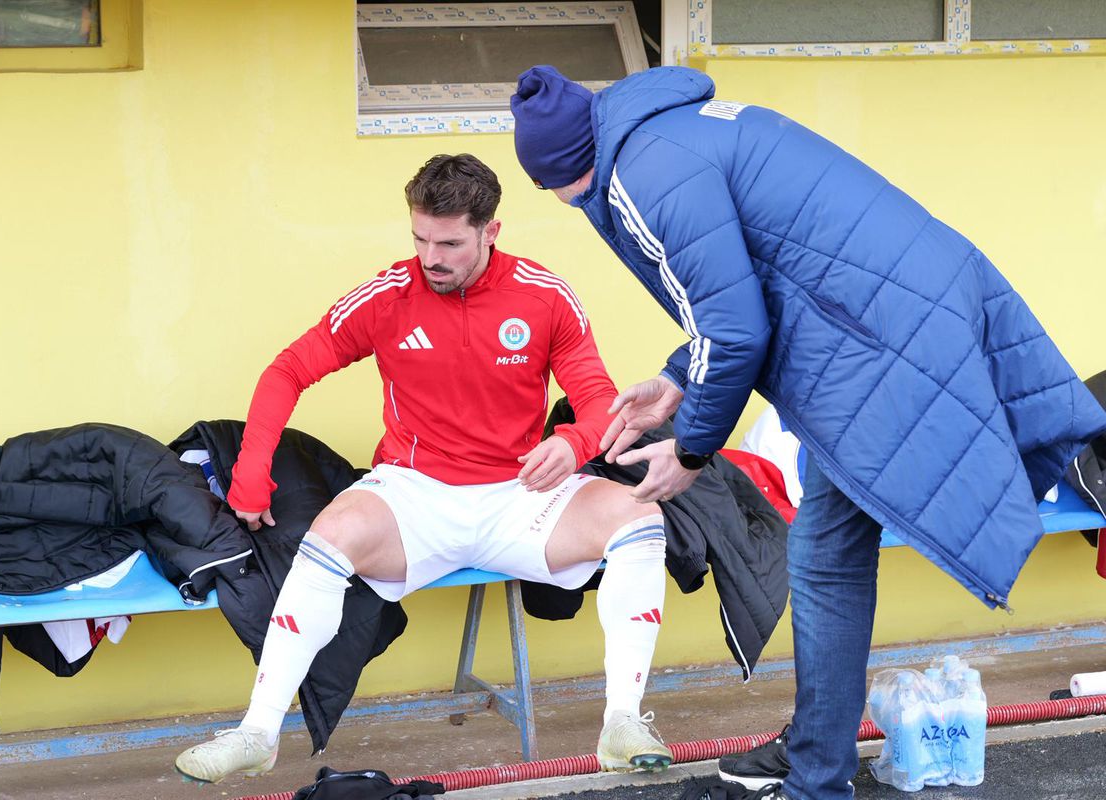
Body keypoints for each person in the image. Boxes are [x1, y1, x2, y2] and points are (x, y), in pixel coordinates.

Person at [510, 66, 1106, 800]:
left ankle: (818, 775)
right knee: (830, 552)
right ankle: (817, 750)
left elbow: (733, 329)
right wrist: (676, 381)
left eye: (554, 191)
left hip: (874, 342)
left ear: (564, 174)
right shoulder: (675, 129)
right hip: (898, 312)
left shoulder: (637, 176)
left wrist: (693, 450)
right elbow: (753, 278)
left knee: (826, 559)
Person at [174, 154, 674, 783]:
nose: (431, 257)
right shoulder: (389, 295)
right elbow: (288, 371)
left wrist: (576, 444)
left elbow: (600, 398)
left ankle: (622, 721)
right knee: (328, 537)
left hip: (520, 494)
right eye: (420, 239)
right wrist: (252, 468)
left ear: (491, 231)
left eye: (449, 243)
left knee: (639, 515)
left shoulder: (545, 295)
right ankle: (258, 732)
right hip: (415, 494)